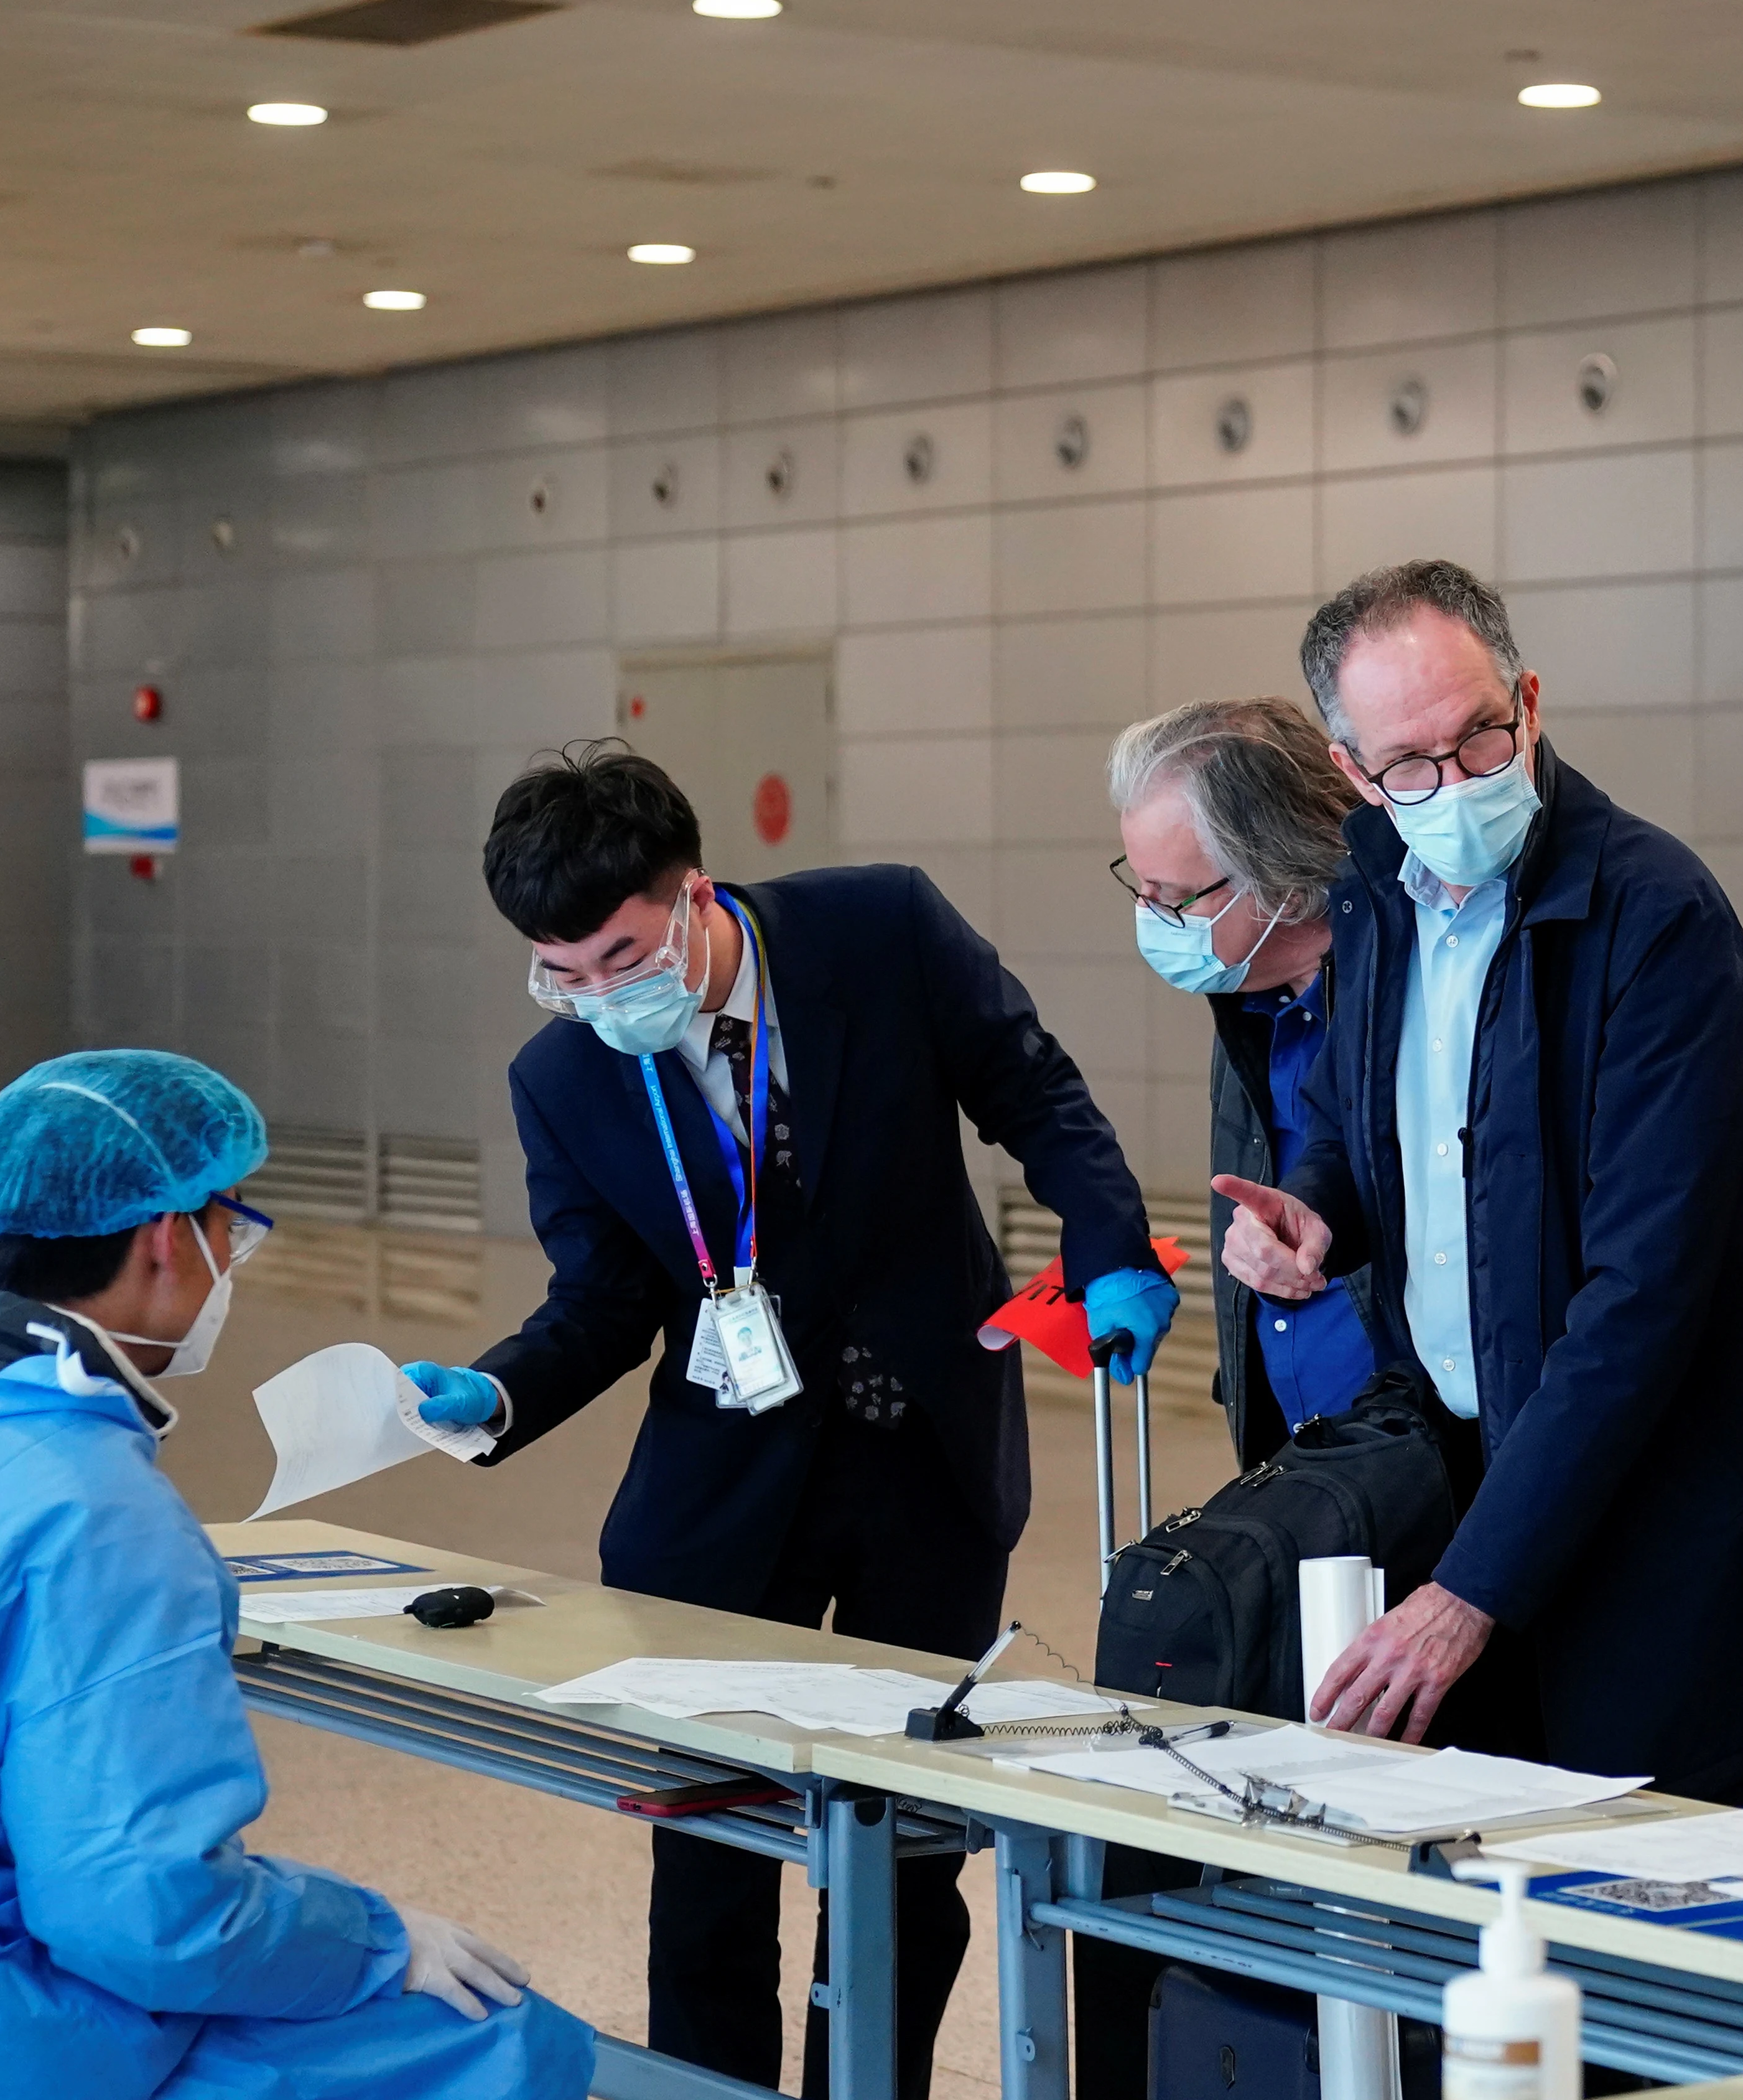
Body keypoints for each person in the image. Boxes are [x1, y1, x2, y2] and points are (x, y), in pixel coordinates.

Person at [397, 745, 1168, 2099]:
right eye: (557, 969)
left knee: (911, 1843)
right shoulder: (561, 1077)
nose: (593, 994)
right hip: (727, 1480)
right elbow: (605, 1297)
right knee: (710, 1857)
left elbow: (1032, 1089)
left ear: (694, 894)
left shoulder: (879, 929)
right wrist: (502, 1388)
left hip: (925, 1450)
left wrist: (1111, 1247)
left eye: (621, 955)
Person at [0, 1052, 590, 2100]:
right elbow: (147, 1918)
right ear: (170, 1238)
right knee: (514, 2041)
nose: (229, 1264)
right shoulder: (97, 1511)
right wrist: (376, 1940)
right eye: (232, 1233)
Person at [1212, 558, 1743, 1799]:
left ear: (1528, 697)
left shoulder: (1653, 912)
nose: (1456, 784)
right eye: (1411, 763)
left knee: (1667, 1954)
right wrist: (1318, 1208)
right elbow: (1372, 1121)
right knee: (1502, 1948)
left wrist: (1473, 1589)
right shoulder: (1376, 893)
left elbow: (1645, 1297)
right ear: (1353, 768)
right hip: (1481, 1484)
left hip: (1665, 1527)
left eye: (1481, 736)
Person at [1109, 696, 1376, 1467]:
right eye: (1139, 884)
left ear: (1285, 887)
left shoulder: (1405, 1002)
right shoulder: (1244, 1001)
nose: (1149, 915)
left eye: (1174, 896)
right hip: (1291, 1452)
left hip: (1419, 1453)